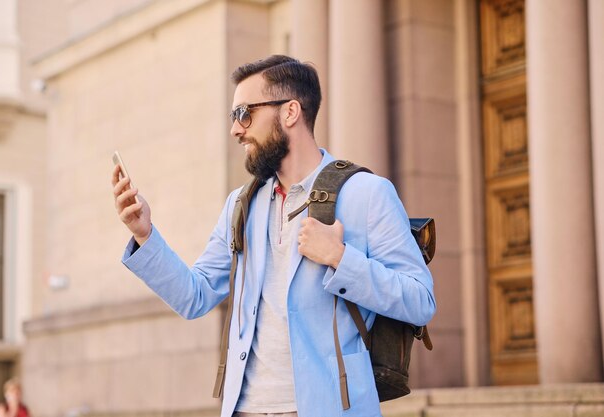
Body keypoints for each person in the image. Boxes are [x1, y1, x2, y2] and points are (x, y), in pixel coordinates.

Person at [112, 55, 435, 417]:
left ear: (290, 112)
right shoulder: (241, 204)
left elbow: (420, 301)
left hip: (331, 407)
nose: (236, 129)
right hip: (245, 409)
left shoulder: (367, 193)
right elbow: (195, 296)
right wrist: (145, 235)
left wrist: (340, 259)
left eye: (244, 113)